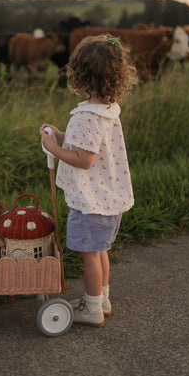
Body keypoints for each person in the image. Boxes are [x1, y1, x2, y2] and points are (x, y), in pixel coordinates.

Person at [39, 34, 138, 327]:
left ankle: (91, 309)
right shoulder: (107, 110)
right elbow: (87, 145)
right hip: (108, 198)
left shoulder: (86, 116)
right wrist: (60, 135)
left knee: (89, 255)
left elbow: (84, 159)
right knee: (100, 251)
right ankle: (101, 300)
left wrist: (54, 149)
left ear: (79, 74)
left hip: (91, 200)